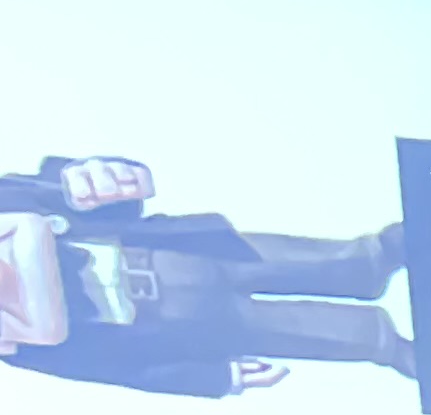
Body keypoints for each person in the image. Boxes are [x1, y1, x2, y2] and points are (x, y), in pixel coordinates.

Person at [0, 155, 410, 397]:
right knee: (291, 328)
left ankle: (378, 254)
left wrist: (96, 177)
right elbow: (106, 367)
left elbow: (83, 191)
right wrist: (210, 377)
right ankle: (389, 346)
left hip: (183, 254)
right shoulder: (21, 342)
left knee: (295, 259)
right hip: (168, 321)